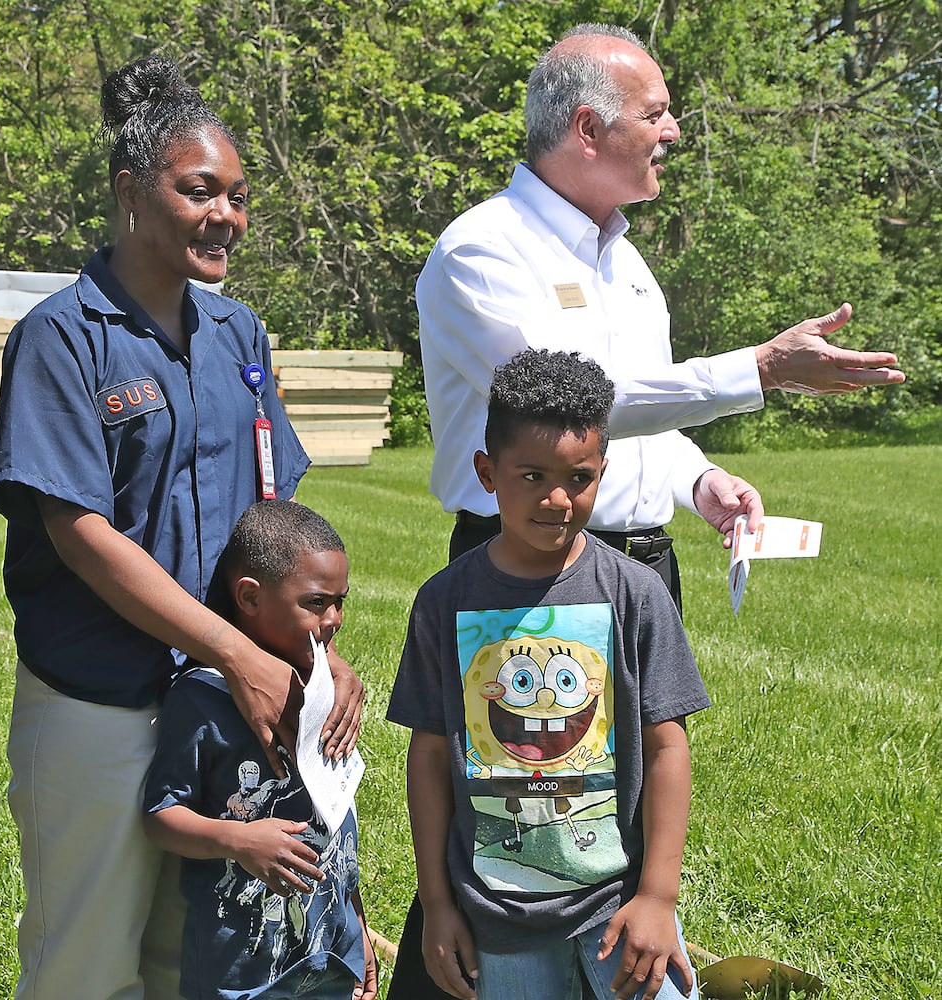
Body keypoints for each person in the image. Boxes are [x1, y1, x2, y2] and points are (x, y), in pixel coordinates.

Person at [393, 24, 905, 993]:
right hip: (512, 574)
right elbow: (575, 408)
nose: (672, 129)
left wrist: (698, 479)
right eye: (657, 111)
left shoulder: (626, 261)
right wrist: (758, 371)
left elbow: (634, 417)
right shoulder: (479, 250)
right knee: (507, 808)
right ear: (588, 126)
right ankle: (455, 964)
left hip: (631, 570)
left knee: (610, 816)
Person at [0, 54, 365, 1000]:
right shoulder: (62, 337)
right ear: (129, 191)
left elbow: (267, 517)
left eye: (237, 196)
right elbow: (79, 531)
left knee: (200, 959)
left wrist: (311, 652)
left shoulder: (236, 333)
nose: (226, 215)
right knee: (87, 967)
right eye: (199, 191)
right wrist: (236, 657)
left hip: (222, 707)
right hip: (100, 701)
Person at [389, 349, 708, 1000]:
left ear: (602, 473)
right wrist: (438, 904)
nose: (557, 498)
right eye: (531, 475)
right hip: (496, 918)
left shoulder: (636, 594)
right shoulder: (444, 601)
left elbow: (667, 745)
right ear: (486, 471)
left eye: (579, 477)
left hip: (615, 904)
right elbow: (426, 757)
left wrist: (657, 896)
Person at [144, 499, 378, 1000]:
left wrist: (356, 925)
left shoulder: (322, 692)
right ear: (249, 597)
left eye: (341, 601)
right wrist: (238, 840)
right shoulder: (201, 699)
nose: (334, 619)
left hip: (329, 957)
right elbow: (159, 815)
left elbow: (338, 818)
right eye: (317, 603)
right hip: (240, 971)